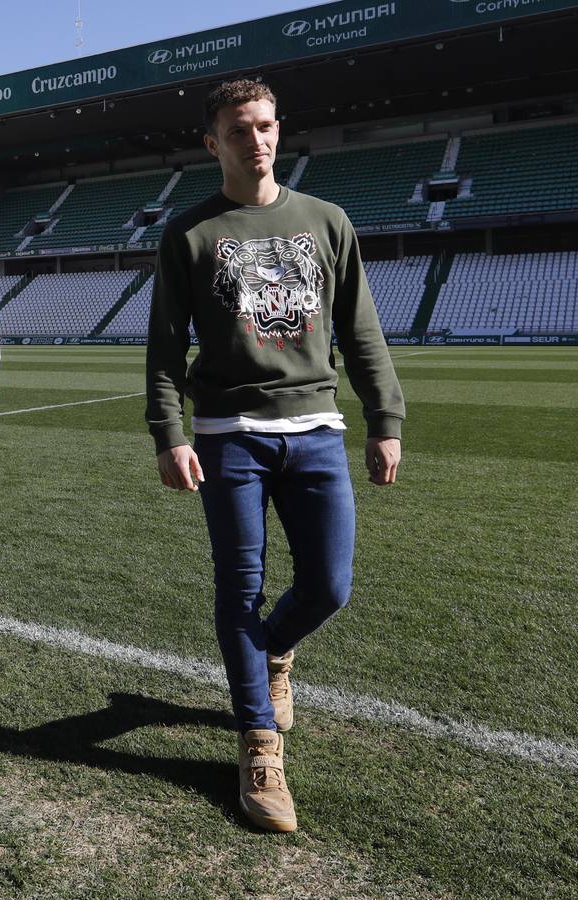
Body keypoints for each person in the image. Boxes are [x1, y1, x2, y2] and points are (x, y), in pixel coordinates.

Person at [145, 80, 405, 832]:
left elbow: (361, 331)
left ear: (278, 131)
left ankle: (276, 655)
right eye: (237, 130)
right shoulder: (190, 234)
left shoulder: (326, 221)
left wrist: (384, 419)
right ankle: (259, 744)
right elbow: (165, 349)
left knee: (329, 585)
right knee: (240, 589)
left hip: (317, 429)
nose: (254, 140)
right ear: (213, 142)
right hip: (229, 437)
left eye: (263, 126)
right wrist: (171, 432)